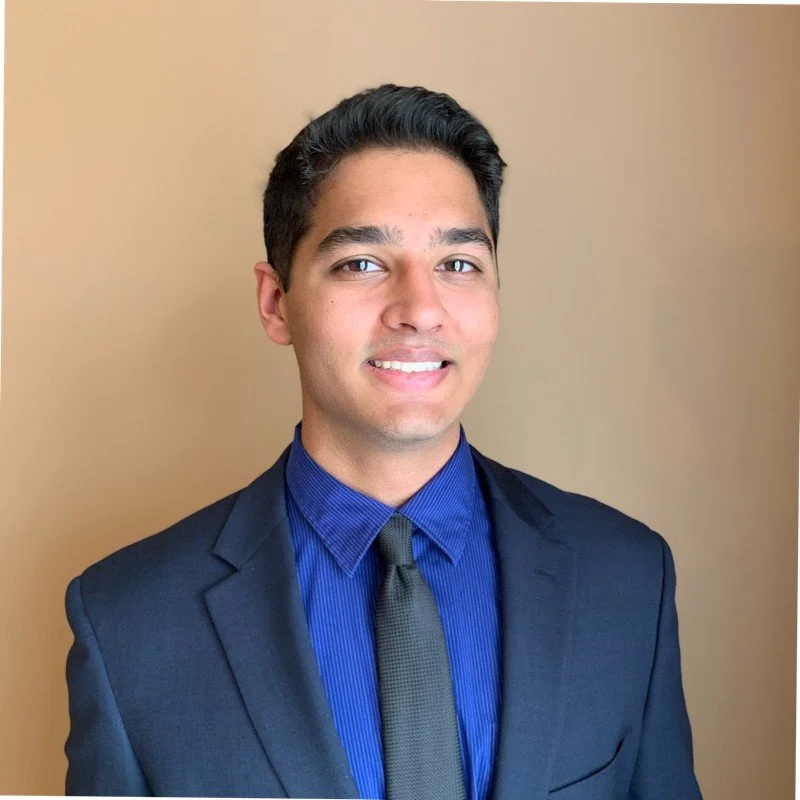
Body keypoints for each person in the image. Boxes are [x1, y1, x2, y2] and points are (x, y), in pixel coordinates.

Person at [64, 83, 703, 799]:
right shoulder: (129, 620)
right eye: (362, 263)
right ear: (276, 303)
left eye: (458, 264)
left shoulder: (626, 578)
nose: (420, 310)